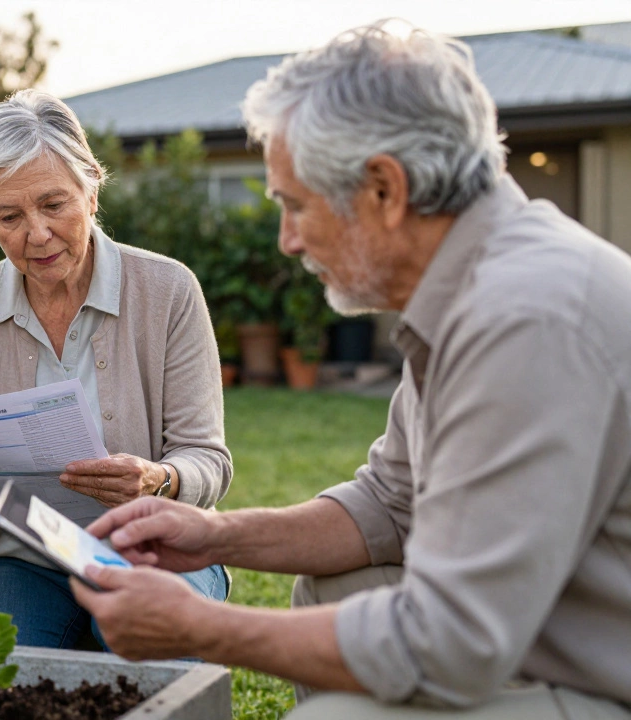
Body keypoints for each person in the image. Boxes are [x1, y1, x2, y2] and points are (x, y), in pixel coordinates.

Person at [71, 22, 631, 719]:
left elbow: (451, 640)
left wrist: (199, 626)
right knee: (337, 584)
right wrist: (216, 535)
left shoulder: (529, 319)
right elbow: (390, 504)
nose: (288, 239)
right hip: (551, 636)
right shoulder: (471, 287)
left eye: (296, 205)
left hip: (606, 683)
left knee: (332, 716)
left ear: (384, 190)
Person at [0, 89, 233, 649]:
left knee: (140, 646)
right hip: (23, 555)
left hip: (153, 546)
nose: (36, 234)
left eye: (54, 204)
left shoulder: (168, 291)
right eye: (9, 216)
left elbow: (208, 459)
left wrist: (157, 478)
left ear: (91, 190)